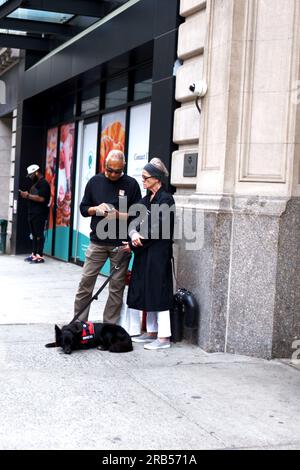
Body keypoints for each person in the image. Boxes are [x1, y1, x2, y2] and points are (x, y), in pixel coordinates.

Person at [74, 150, 141, 324]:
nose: (112, 174)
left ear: (123, 168)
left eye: (117, 171)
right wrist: (95, 209)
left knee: (116, 288)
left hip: (120, 244)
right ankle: (79, 324)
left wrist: (118, 215)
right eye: (109, 170)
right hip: (97, 242)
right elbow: (83, 209)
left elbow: (139, 215)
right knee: (85, 283)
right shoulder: (95, 182)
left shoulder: (131, 185)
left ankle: (109, 328)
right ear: (104, 165)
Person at [123, 158, 175, 350]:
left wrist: (138, 238)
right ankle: (151, 332)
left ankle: (164, 338)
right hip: (145, 252)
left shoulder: (166, 199)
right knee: (147, 291)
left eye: (146, 177)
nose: (142, 180)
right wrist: (134, 234)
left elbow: (160, 227)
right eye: (142, 177)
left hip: (158, 254)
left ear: (157, 178)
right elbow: (134, 221)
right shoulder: (146, 199)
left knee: (158, 292)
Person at [20, 164, 51, 264]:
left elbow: (42, 198)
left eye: (31, 175)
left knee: (39, 234)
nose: (30, 177)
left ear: (36, 173)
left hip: (39, 213)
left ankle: (39, 256)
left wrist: (27, 195)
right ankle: (34, 254)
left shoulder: (44, 183)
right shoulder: (36, 183)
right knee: (33, 234)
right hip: (32, 213)